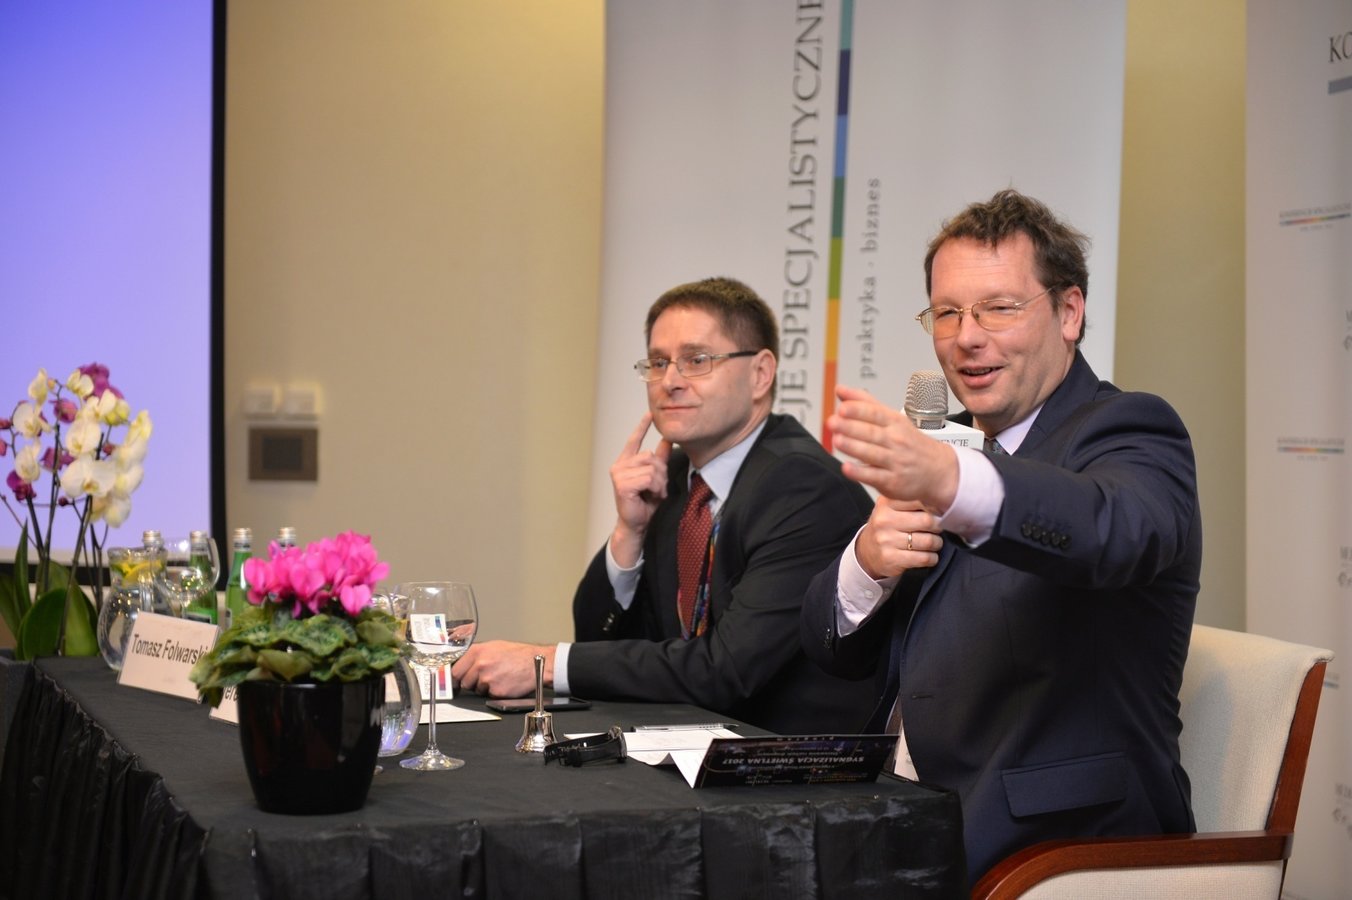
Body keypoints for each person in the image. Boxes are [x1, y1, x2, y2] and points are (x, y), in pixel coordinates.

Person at [801, 189, 1201, 884]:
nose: (967, 337)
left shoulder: (1129, 428)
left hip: (1051, 846)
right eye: (947, 313)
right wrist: (869, 563)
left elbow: (1113, 528)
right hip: (897, 817)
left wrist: (953, 482)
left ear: (1069, 312)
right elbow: (827, 648)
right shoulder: (947, 442)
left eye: (999, 308)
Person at [455, 276, 876, 734]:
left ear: (760, 373)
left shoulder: (802, 487)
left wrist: (547, 663)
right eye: (658, 363)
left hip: (795, 762)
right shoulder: (676, 479)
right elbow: (598, 640)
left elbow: (725, 670)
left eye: (696, 360)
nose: (670, 382)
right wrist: (628, 534)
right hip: (683, 746)